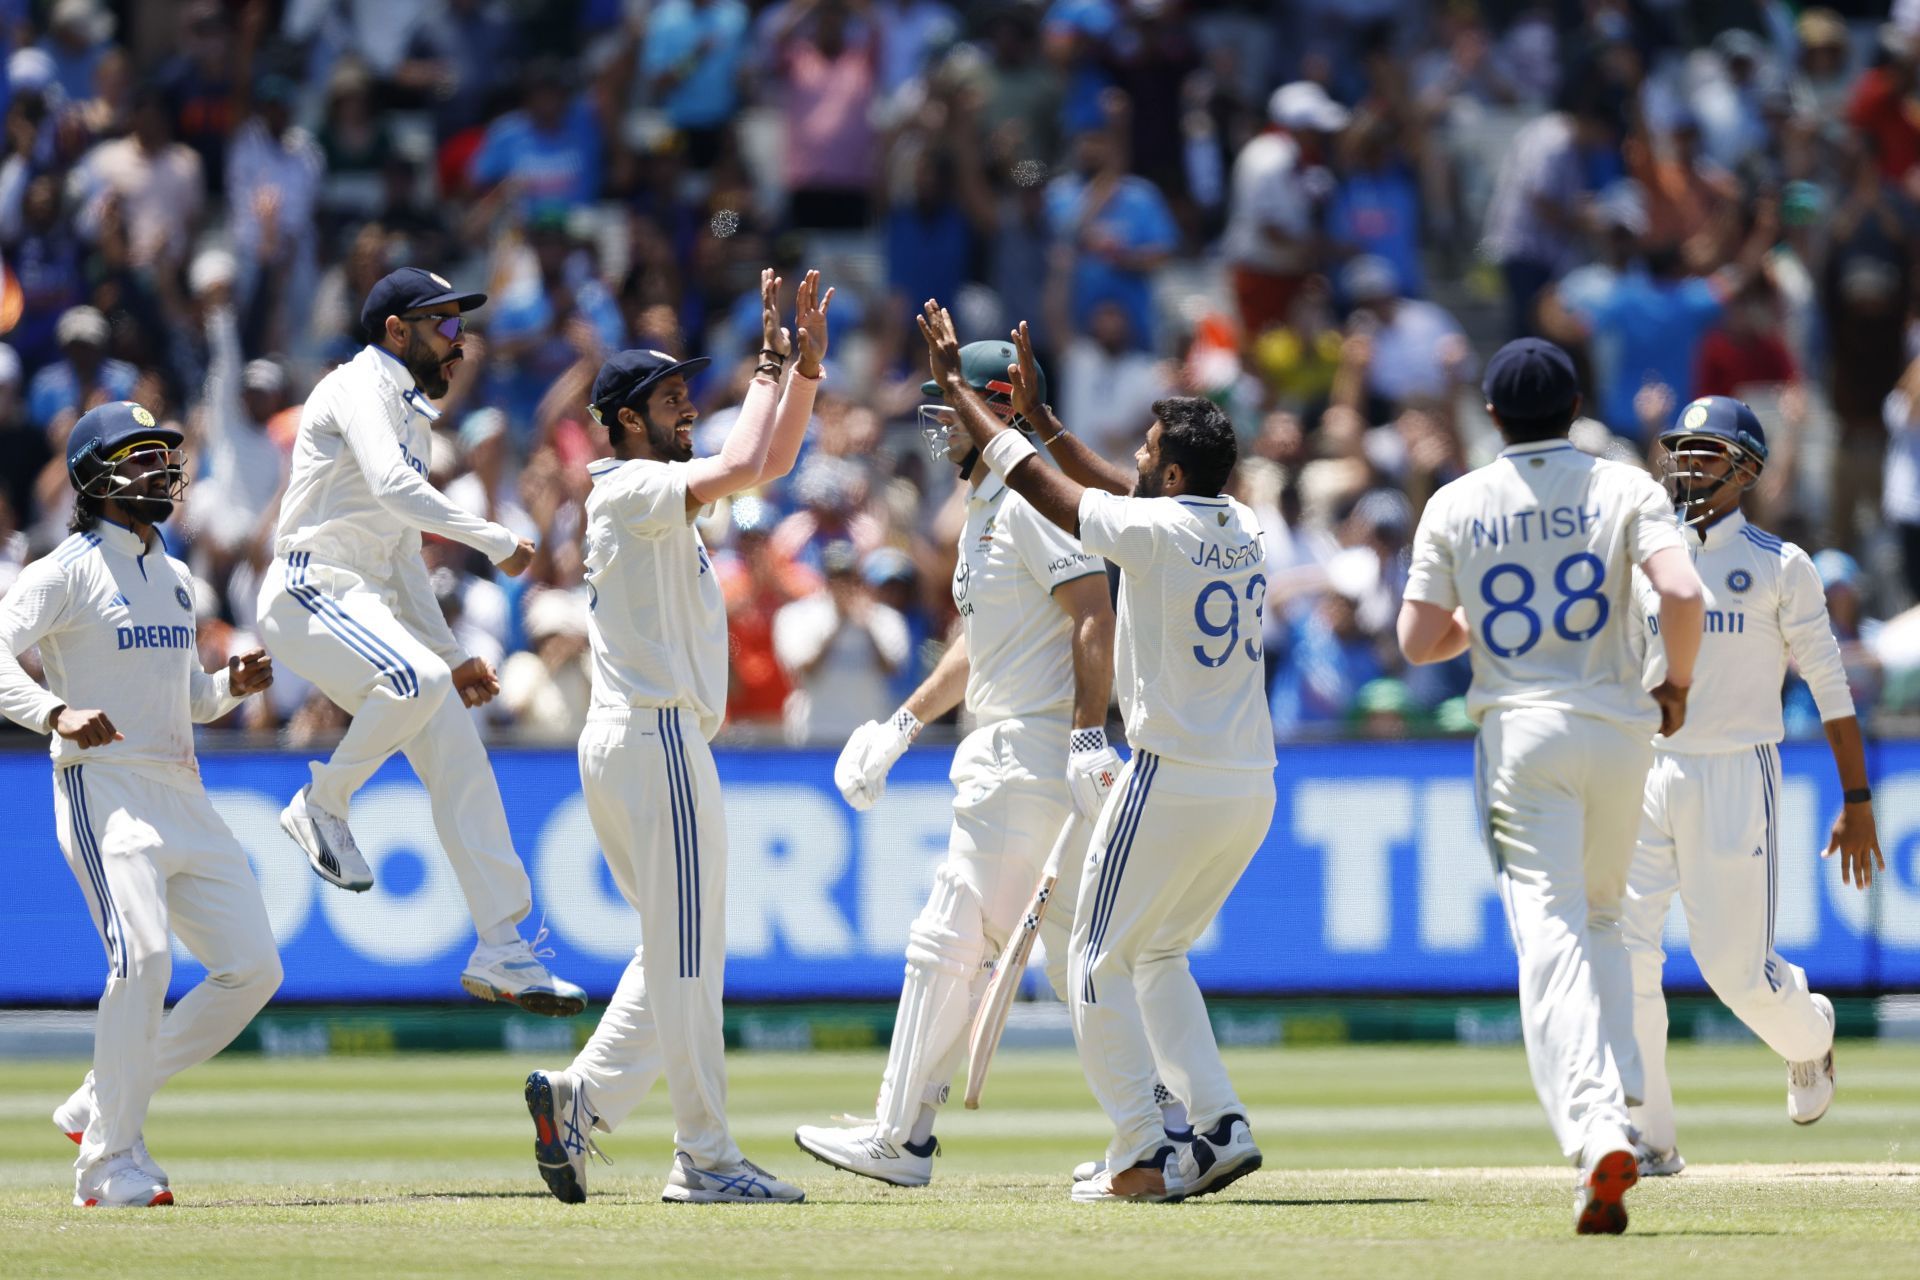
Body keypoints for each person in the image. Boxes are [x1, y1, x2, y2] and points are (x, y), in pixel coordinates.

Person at [919, 302, 1274, 1205]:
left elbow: (1057, 497)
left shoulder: (1154, 530)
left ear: (1176, 470)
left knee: (1089, 958)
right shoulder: (1237, 525)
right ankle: (1221, 1125)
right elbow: (1115, 488)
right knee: (1156, 957)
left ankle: (1142, 1153)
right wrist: (1042, 419)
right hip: (1250, 784)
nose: (1139, 456)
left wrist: (966, 394)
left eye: (1152, 449)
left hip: (1171, 777)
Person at [522, 269, 828, 1206]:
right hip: (653, 742)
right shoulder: (626, 489)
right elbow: (743, 468)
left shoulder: (650, 492)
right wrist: (771, 360)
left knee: (675, 947)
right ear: (621, 420)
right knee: (693, 959)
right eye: (668, 399)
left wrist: (799, 373)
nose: (687, 406)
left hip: (642, 742)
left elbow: (765, 466)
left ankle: (583, 1101)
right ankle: (705, 1157)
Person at [794, 333, 1127, 1187]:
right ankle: (1163, 1125)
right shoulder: (988, 505)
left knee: (949, 935)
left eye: (953, 410)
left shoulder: (1028, 499)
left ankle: (899, 1135)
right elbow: (982, 645)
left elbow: (1095, 606)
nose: (940, 430)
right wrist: (900, 725)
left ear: (1002, 406)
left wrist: (1089, 733)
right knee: (1079, 953)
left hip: (1031, 749)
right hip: (1012, 745)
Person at [1396, 337, 1706, 1235]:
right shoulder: (1625, 485)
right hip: (1619, 727)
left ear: (1490, 416)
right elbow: (1681, 594)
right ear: (1576, 407)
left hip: (1522, 732)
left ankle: (1598, 1125)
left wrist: (1482, 623)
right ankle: (1627, 1100)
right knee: (1605, 918)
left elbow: (1418, 643)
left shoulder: (1458, 500)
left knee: (1549, 933)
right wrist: (1673, 684)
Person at [256, 267, 584, 1017]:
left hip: (362, 596)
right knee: (414, 684)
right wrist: (493, 536)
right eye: (442, 324)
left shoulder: (412, 416)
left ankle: (502, 943)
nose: (458, 340)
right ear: (395, 331)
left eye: (459, 325)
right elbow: (395, 491)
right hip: (308, 586)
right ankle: (323, 802)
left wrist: (449, 653)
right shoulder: (354, 387)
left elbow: (403, 556)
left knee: (456, 745)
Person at [0, 402, 279, 1207]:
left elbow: (185, 698)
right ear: (94, 473)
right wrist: (55, 713)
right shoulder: (65, 568)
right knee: (145, 960)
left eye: (164, 456)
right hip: (105, 785)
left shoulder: (178, 577)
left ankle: (99, 1098)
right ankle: (106, 1165)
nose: (162, 471)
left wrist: (228, 687)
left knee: (253, 969)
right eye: (141, 457)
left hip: (183, 792)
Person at [1624, 396, 1883, 1176]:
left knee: (1735, 974)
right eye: (1684, 450)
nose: (1689, 465)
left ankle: (1811, 1036)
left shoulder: (1780, 563)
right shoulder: (1642, 553)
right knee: (1624, 953)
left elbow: (1830, 684)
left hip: (1737, 769)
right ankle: (1651, 1137)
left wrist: (1858, 799)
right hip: (1642, 769)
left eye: (1708, 453)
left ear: (1748, 470)